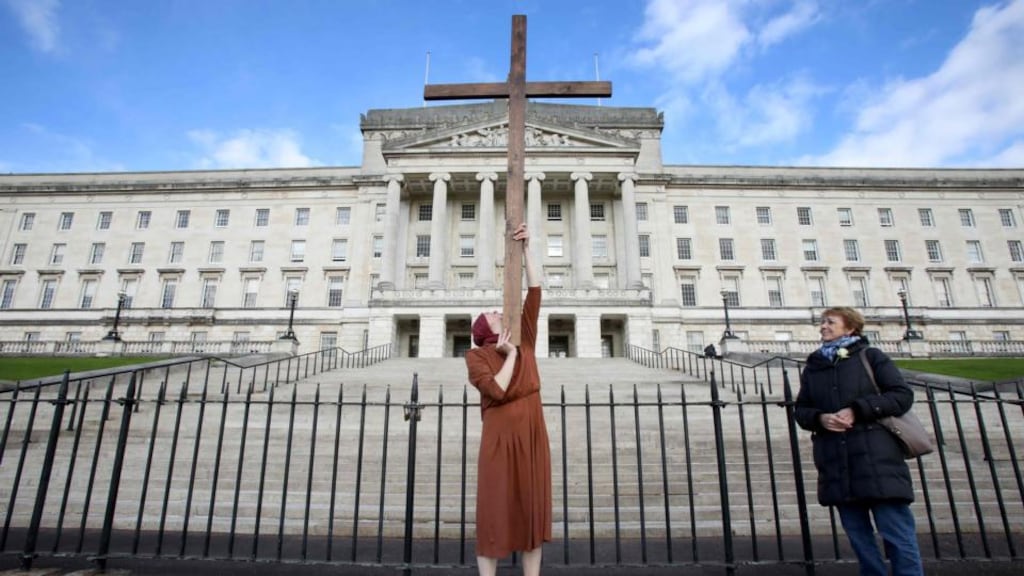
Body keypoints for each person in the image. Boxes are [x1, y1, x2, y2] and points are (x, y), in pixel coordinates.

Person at [794, 307, 924, 576]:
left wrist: (858, 409)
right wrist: (821, 418)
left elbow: (901, 396)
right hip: (836, 462)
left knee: (897, 534)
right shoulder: (815, 365)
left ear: (850, 328)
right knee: (859, 539)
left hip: (878, 460)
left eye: (830, 322)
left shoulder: (870, 356)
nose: (823, 327)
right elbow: (802, 410)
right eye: (822, 322)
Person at [464, 223, 551, 576]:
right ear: (486, 331)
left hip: (531, 431)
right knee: (494, 512)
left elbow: (535, 291)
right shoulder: (477, 358)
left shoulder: (525, 336)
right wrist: (511, 356)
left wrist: (528, 247)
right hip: (499, 440)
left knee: (531, 512)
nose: (499, 310)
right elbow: (497, 390)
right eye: (493, 314)